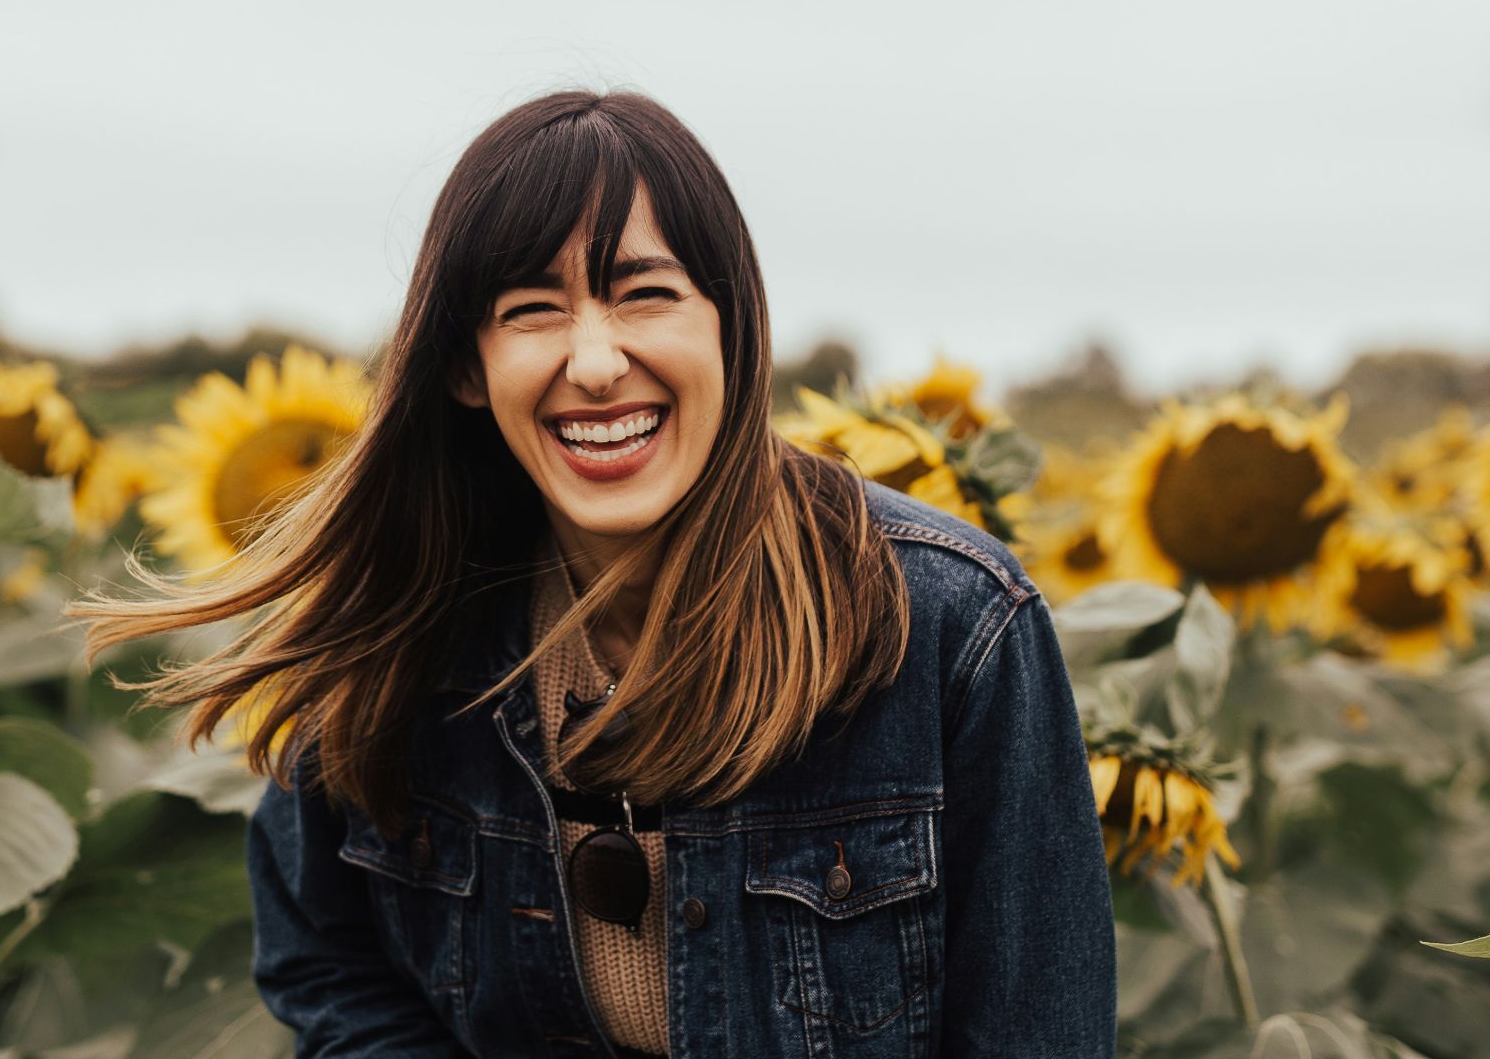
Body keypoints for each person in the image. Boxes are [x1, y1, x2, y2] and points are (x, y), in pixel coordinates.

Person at [75, 89, 1116, 1058]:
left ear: (732, 327)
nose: (596, 360)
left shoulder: (949, 628)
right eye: (532, 309)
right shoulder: (405, 623)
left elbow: (1038, 1028)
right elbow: (323, 955)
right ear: (465, 368)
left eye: (645, 294)